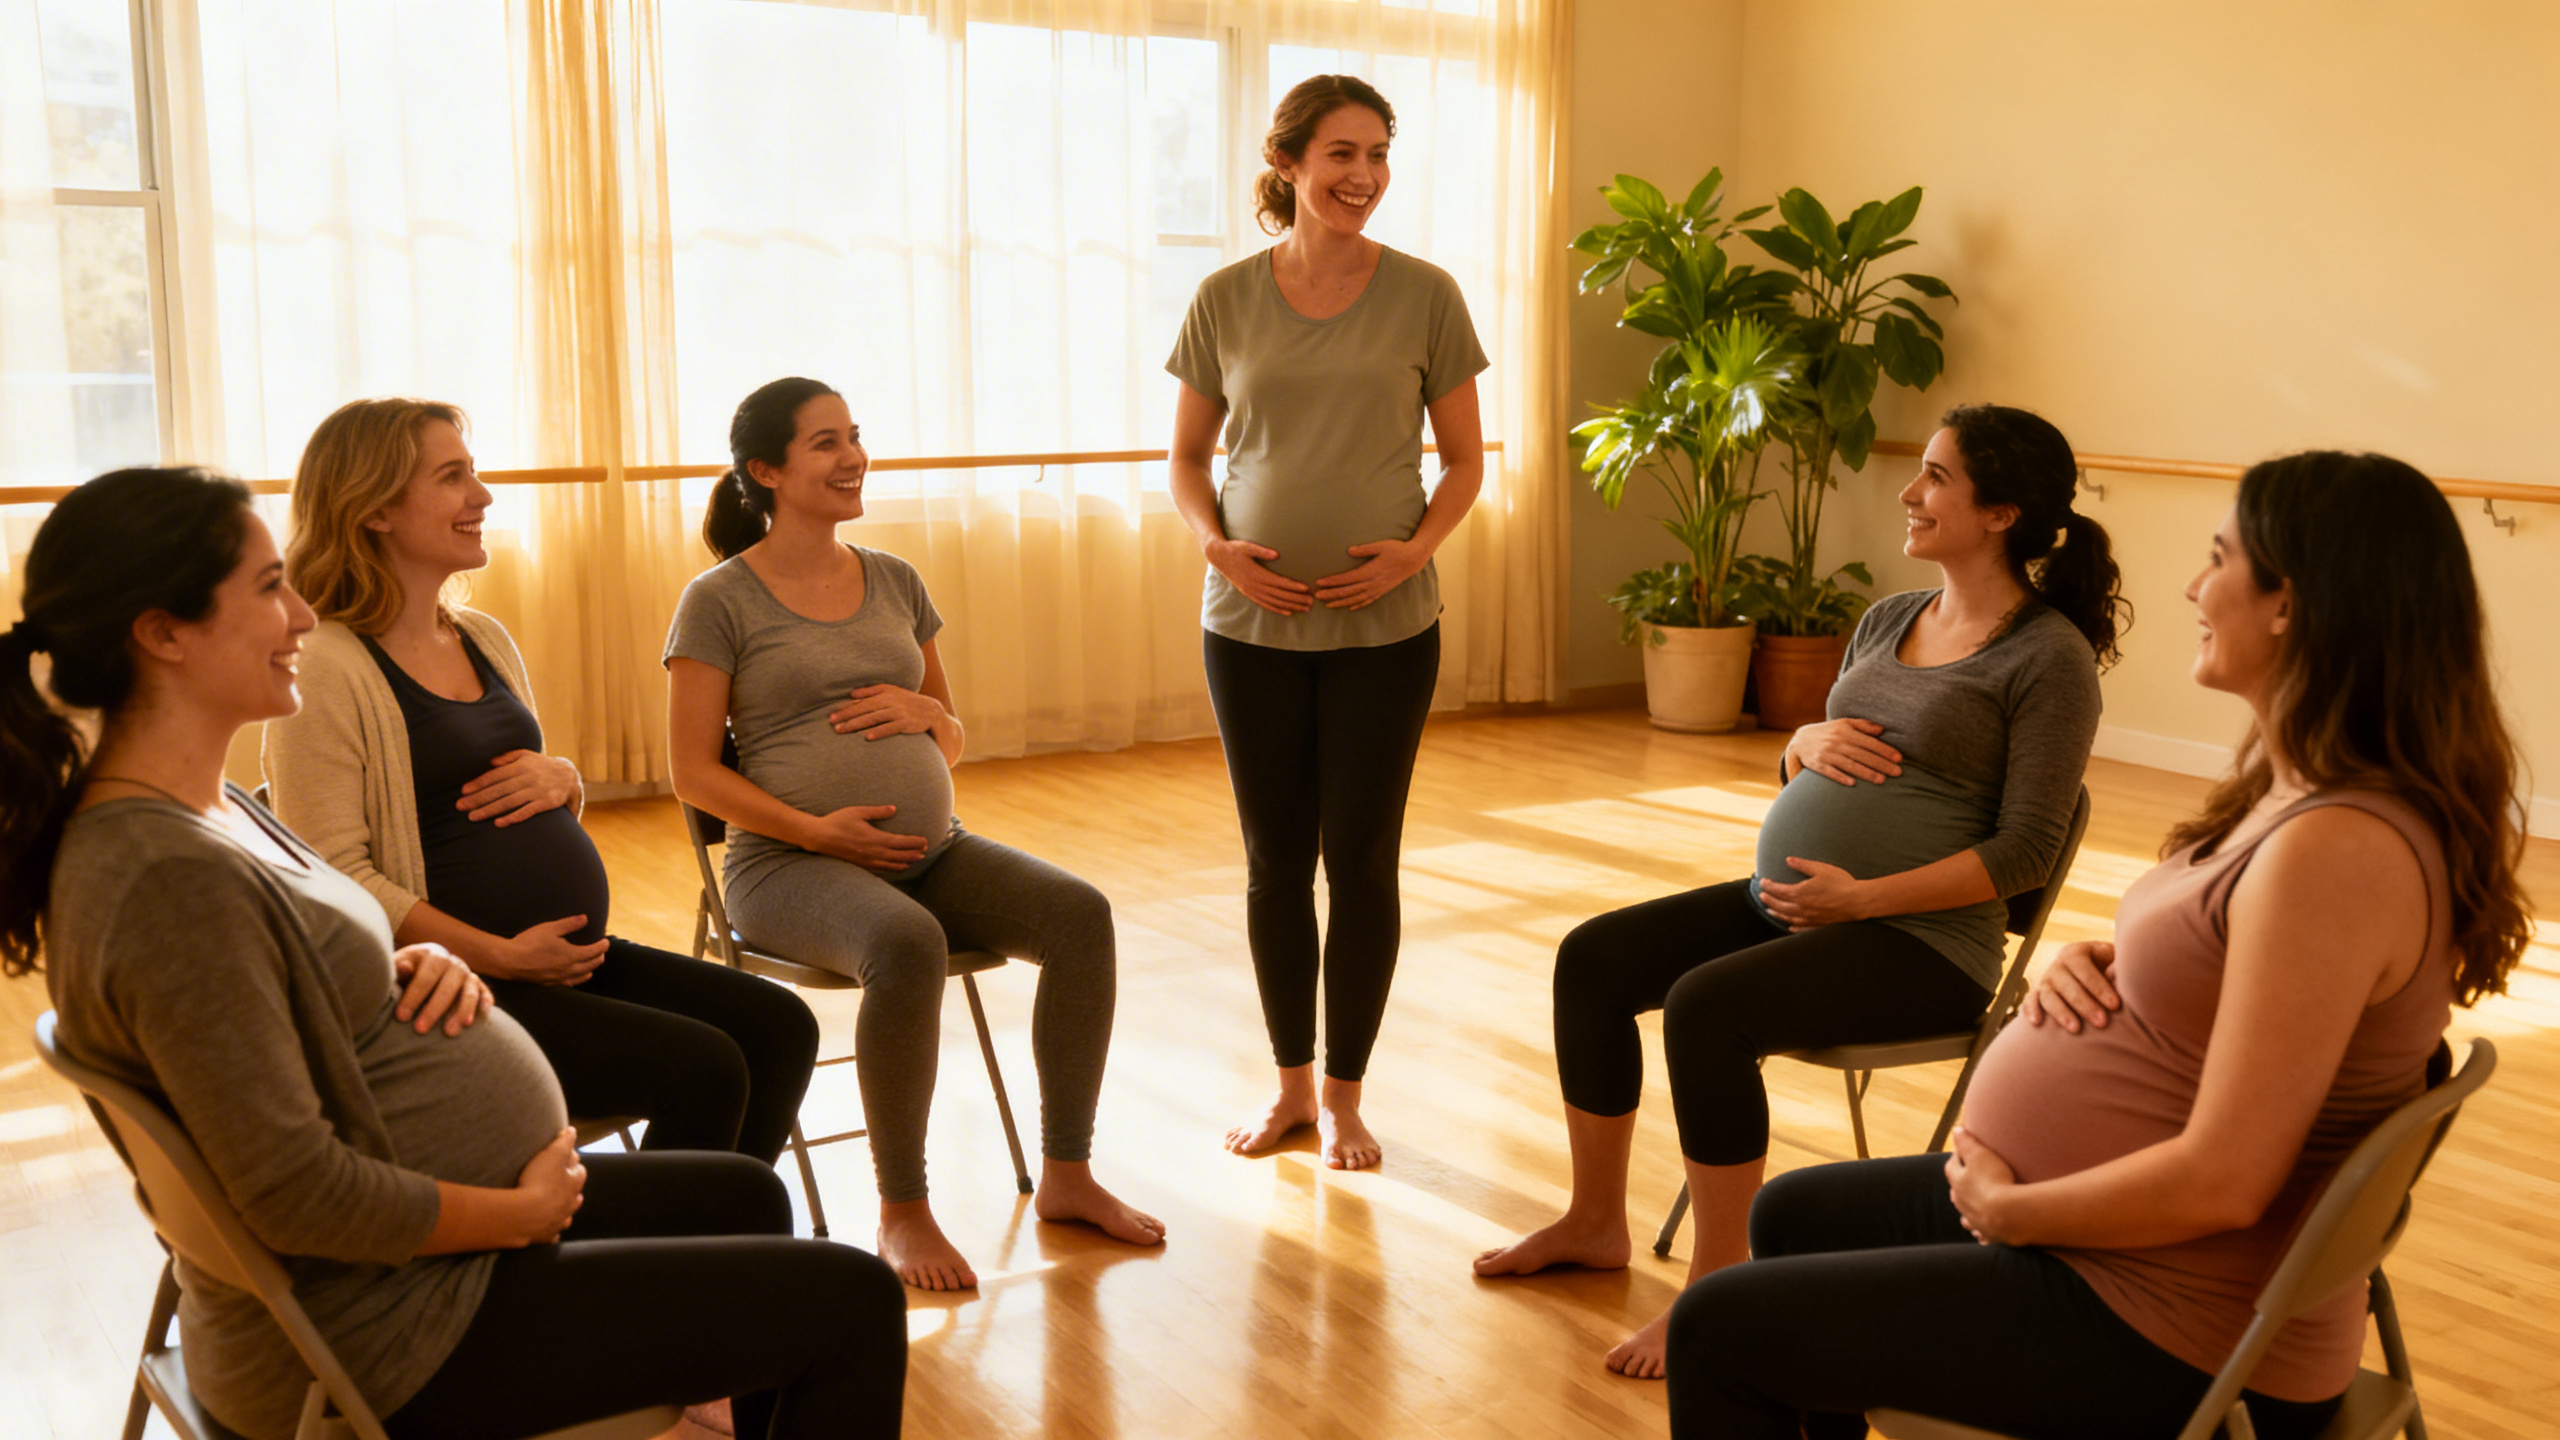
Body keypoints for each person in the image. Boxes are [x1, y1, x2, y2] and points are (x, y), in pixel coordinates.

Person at [3, 468, 906, 1440]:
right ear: (161, 632)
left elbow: (278, 968)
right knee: (850, 1303)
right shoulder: (162, 879)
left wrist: (387, 966)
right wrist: (508, 1216)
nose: (303, 616)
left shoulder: (210, 812)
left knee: (741, 1193)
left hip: (412, 1275)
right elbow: (291, 1197)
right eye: (269, 588)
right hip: (382, 1328)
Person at [1663, 450, 2532, 1440]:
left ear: (2291, 604)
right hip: (2136, 1262)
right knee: (1792, 1221)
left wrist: (2014, 1212)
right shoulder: (2311, 796)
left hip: (2168, 1321)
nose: (2194, 586)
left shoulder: (2337, 851)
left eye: (2217, 558)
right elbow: (2241, 967)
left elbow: (2224, 1179)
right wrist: (2110, 960)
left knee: (1716, 1331)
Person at [1476, 405, 2127, 1378]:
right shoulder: (1887, 618)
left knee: (1707, 1008)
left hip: (1922, 948)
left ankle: (1714, 1287)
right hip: (1794, 908)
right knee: (1593, 958)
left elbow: (2029, 850)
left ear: (2001, 512)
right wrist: (1794, 746)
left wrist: (1863, 901)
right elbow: (1826, 763)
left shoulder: (2047, 658)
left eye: (1936, 478)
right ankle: (1593, 1221)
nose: (1910, 493)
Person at [664, 376, 1161, 1292]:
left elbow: (957, 734)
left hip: (931, 852)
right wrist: (818, 831)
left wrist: (924, 713)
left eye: (855, 435)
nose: (852, 456)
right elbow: (693, 774)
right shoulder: (719, 600)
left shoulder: (894, 579)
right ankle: (903, 1210)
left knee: (1078, 915)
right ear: (764, 470)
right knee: (905, 941)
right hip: (785, 867)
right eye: (825, 443)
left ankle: (1068, 1174)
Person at [264, 398, 819, 1166]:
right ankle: (674, 1262)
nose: (483, 495)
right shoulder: (326, 664)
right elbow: (332, 882)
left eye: (476, 472)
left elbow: (533, 798)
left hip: (559, 963)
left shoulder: (482, 637)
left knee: (780, 1026)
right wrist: (499, 955)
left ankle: (716, 1244)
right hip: (452, 994)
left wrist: (564, 779)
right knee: (705, 1065)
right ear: (376, 507)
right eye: (453, 477)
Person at [1166, 73, 1488, 1171]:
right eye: (1341, 153)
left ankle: (1346, 1095)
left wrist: (1412, 553)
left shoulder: (1427, 295)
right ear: (1291, 163)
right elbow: (1184, 459)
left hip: (1387, 626)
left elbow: (1464, 462)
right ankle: (1289, 1088)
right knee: (1271, 864)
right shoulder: (1223, 298)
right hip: (1245, 627)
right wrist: (1215, 544)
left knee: (1362, 859)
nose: (1363, 176)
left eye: (1379, 154)